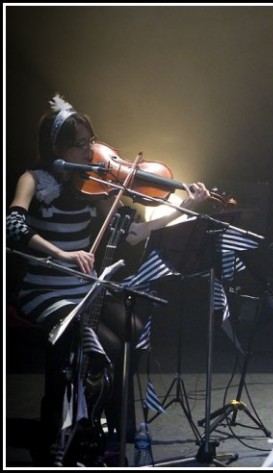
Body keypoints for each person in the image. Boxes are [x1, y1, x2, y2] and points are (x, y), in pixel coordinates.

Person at [5, 94, 211, 466]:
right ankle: (52, 427)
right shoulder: (33, 179)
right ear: (57, 147)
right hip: (43, 290)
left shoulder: (93, 187)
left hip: (82, 289)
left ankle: (117, 424)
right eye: (81, 144)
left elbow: (134, 232)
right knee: (72, 337)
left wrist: (189, 207)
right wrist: (63, 254)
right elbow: (12, 227)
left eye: (91, 141)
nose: (91, 151)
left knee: (129, 330)